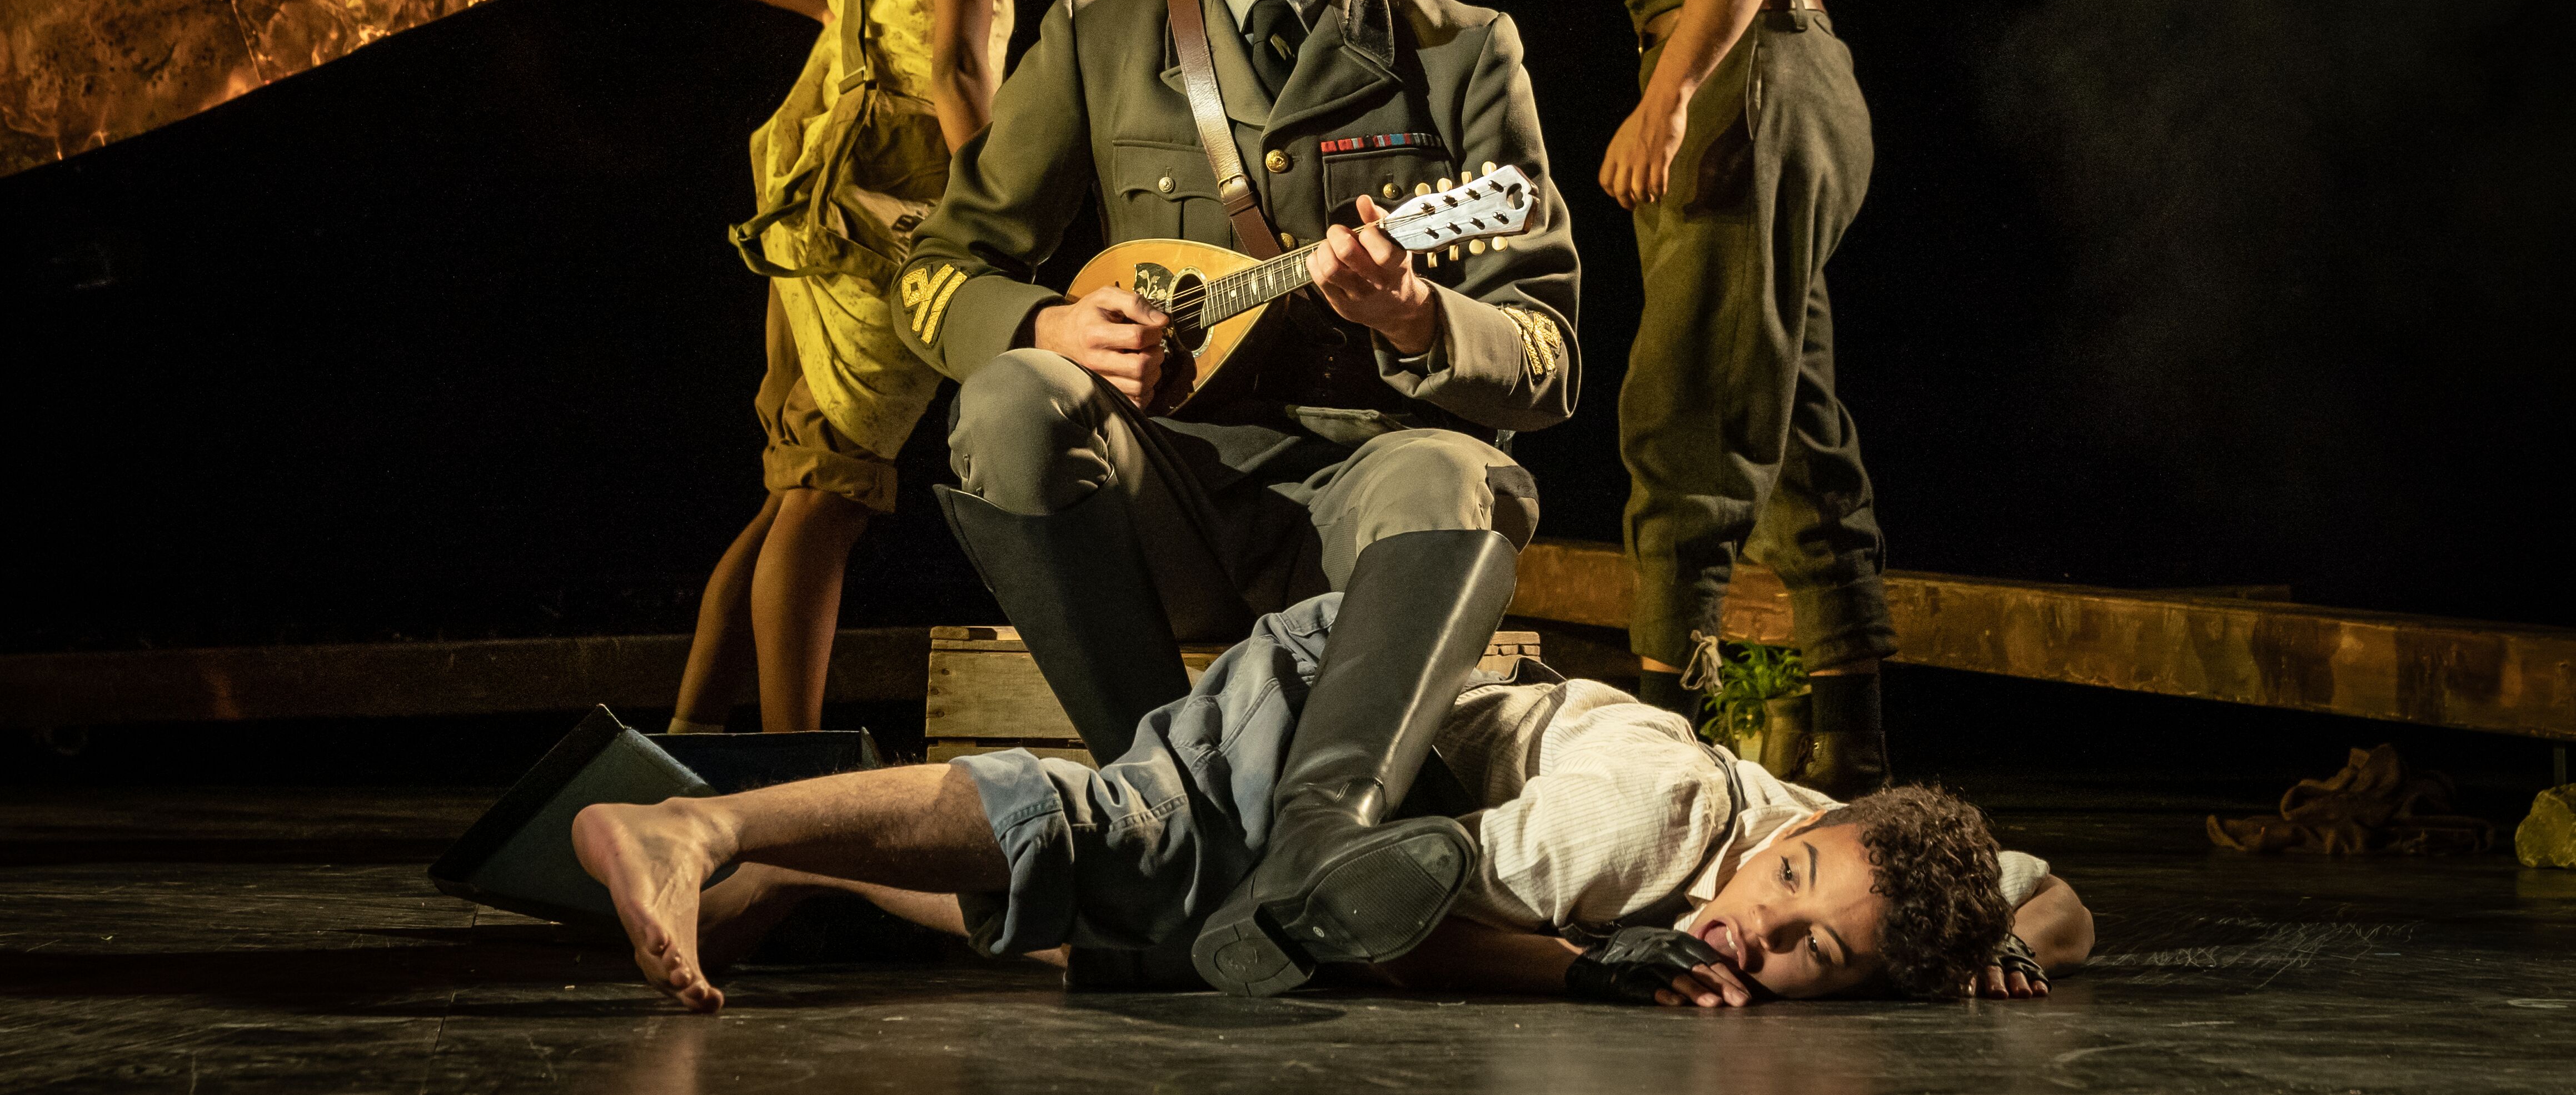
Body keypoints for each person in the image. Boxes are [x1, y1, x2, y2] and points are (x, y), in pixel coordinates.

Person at [887, 0, 1582, 992]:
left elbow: (1545, 357)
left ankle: (1318, 837)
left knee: (1456, 472)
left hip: (1365, 518)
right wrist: (1051, 322)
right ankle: (1177, 811)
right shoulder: (1098, 38)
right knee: (1012, 401)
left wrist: (1421, 316)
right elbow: (936, 273)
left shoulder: (1461, 50)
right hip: (1171, 507)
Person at [569, 586, 2094, 1015]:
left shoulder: (1875, 848)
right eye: (1786, 894)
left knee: (1146, 942)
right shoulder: (1637, 824)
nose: (1760, 931)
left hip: (1392, 781)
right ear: (1786, 837)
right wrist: (1588, 971)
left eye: (1811, 951)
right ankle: (696, 824)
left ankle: (794, 887)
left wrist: (2004, 946)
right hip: (1345, 712)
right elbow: (1377, 928)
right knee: (1136, 839)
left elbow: (2051, 890)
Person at [1548, 0, 1892, 796]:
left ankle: (1659, 752)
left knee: (1685, 402)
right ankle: (1848, 726)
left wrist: (1668, 95)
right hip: (1762, 70)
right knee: (1788, 409)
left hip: (1749, 68)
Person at [659, 0, 1039, 733]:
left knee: (800, 484)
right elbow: (960, 73)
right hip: (890, 197)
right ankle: (795, 769)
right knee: (829, 493)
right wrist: (990, 224)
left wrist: (833, 9)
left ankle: (693, 733)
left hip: (808, 186)